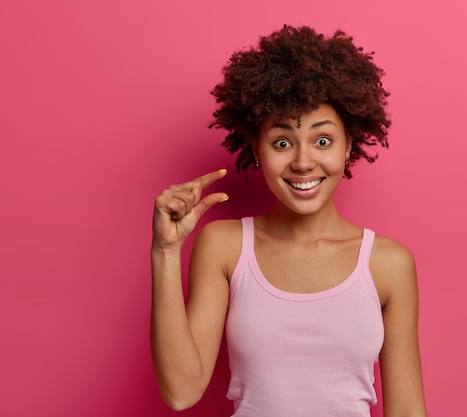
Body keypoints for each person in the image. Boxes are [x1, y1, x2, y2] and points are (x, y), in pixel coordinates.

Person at [151, 25, 427, 417]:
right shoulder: (225, 245)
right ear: (256, 149)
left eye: (323, 140)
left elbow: (407, 410)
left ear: (349, 145)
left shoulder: (388, 263)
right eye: (282, 142)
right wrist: (165, 251)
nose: (301, 161)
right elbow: (181, 392)